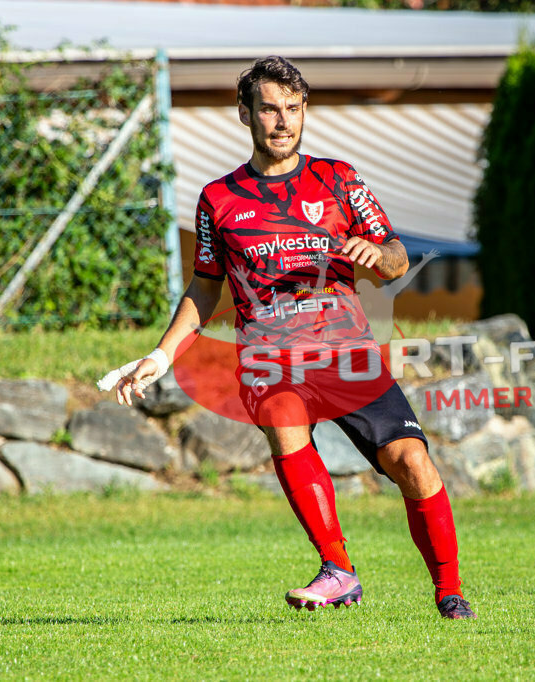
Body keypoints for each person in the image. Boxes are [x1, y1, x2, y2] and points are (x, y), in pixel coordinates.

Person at [99, 56, 475, 620]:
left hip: (347, 355)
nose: (283, 122)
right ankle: (338, 570)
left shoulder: (339, 179)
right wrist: (161, 354)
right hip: (272, 359)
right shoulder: (218, 201)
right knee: (281, 410)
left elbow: (397, 257)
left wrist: (381, 256)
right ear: (245, 113)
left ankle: (450, 593)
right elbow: (204, 291)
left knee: (414, 464)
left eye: (293, 109)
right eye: (270, 109)